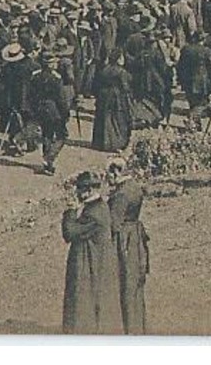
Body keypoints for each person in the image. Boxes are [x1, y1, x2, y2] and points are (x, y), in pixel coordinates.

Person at [60, 171, 123, 334]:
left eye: (79, 189)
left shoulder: (93, 213)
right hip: (92, 261)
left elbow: (69, 232)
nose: (77, 193)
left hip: (88, 264)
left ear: (88, 190)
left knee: (81, 300)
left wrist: (70, 211)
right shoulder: (99, 207)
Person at [107, 159, 149, 335]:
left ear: (117, 171)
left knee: (125, 284)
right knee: (135, 286)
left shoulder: (120, 194)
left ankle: (129, 329)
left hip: (125, 240)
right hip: (136, 237)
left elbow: (113, 223)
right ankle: (138, 327)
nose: (107, 178)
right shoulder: (135, 187)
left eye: (108, 174)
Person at [28, 52, 72, 176]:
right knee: (62, 135)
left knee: (46, 134)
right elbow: (61, 99)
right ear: (50, 65)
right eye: (54, 62)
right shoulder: (56, 78)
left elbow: (31, 95)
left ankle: (47, 165)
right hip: (53, 109)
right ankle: (50, 157)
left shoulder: (35, 76)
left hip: (39, 108)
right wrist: (65, 113)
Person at [92, 53, 134, 153]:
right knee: (117, 119)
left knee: (102, 118)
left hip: (103, 96)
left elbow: (96, 84)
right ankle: (115, 143)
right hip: (115, 96)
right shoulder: (121, 72)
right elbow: (125, 86)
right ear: (118, 59)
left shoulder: (104, 70)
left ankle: (100, 142)